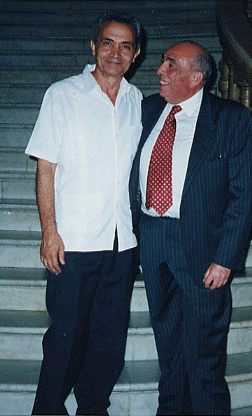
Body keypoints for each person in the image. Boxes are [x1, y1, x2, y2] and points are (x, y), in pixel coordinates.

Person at [130, 41, 252, 415]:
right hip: (153, 239)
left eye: (171, 65)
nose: (159, 71)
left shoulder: (230, 117)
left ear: (196, 77)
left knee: (205, 351)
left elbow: (244, 194)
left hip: (204, 248)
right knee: (168, 343)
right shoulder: (148, 109)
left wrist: (226, 258)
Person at [25, 11, 143, 415]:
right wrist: (49, 232)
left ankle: (94, 408)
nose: (115, 52)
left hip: (121, 243)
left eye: (125, 45)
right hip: (72, 243)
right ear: (93, 47)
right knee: (66, 340)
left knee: (109, 342)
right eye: (108, 43)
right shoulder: (63, 94)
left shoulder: (135, 101)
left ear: (136, 54)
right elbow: (46, 168)